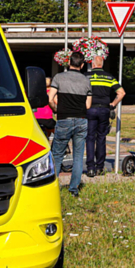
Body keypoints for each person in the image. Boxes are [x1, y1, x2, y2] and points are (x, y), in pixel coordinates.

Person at [48, 51, 92, 197]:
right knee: (78, 156)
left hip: (64, 119)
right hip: (81, 120)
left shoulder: (59, 77)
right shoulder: (86, 81)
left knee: (57, 155)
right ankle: (73, 189)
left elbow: (50, 98)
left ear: (69, 63)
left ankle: (52, 187)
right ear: (82, 64)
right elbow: (87, 105)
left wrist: (56, 109)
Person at [86, 55, 125, 177]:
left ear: (92, 65)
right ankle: (100, 167)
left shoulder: (87, 77)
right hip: (104, 109)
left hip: (90, 109)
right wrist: (113, 104)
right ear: (101, 64)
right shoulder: (109, 77)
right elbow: (121, 92)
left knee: (90, 138)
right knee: (101, 138)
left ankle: (90, 168)